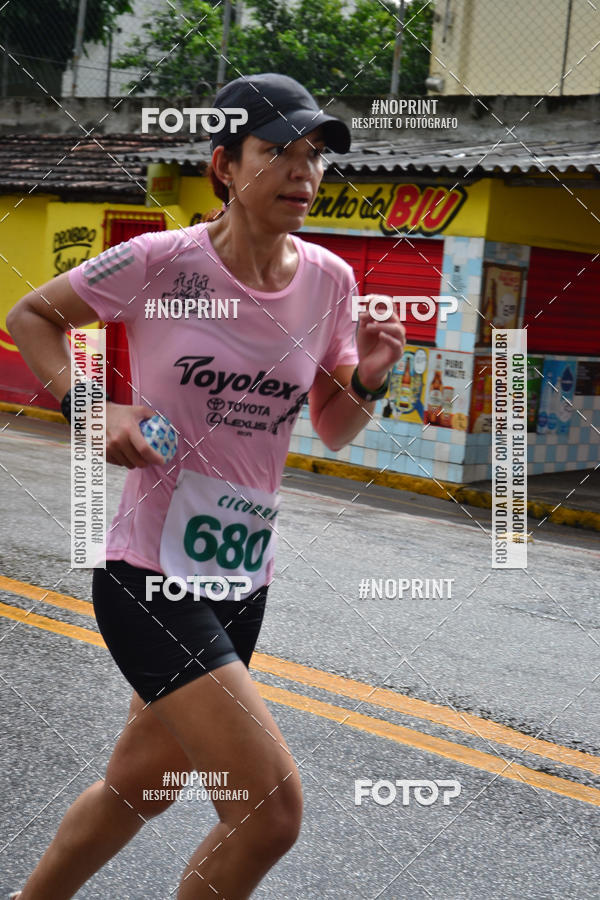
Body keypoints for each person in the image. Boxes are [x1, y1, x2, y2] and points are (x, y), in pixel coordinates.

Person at [6, 72, 405, 899]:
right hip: (149, 574)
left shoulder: (329, 280)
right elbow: (31, 316)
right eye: (279, 153)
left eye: (316, 157)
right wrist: (92, 410)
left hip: (240, 577)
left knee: (140, 790)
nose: (305, 173)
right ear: (225, 164)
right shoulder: (161, 262)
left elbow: (332, 425)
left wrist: (366, 378)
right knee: (267, 812)